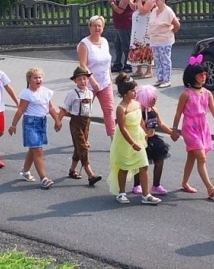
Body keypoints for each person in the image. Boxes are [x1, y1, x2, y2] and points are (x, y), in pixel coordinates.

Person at [172, 57, 214, 199]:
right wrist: (174, 129)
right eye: (200, 74)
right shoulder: (186, 94)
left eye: (205, 74)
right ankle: (210, 188)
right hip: (190, 128)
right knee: (201, 157)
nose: (204, 77)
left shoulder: (207, 93)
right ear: (192, 76)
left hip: (203, 127)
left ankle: (185, 183)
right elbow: (178, 113)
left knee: (192, 156)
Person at [9, 67, 61, 188]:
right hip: (30, 123)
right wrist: (13, 125)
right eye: (35, 78)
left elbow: (50, 107)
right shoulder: (27, 94)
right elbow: (21, 110)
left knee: (33, 149)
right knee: (37, 150)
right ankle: (44, 178)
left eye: (40, 77)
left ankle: (25, 172)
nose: (38, 80)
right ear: (29, 80)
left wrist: (57, 120)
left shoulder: (46, 92)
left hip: (42, 122)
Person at [109, 73, 157, 205]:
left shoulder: (137, 104)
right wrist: (132, 143)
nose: (135, 93)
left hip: (138, 138)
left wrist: (146, 133)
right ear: (125, 93)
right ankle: (121, 193)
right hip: (126, 141)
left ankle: (146, 195)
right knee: (124, 166)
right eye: (132, 91)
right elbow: (122, 128)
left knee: (144, 165)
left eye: (135, 90)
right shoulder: (121, 108)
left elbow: (140, 121)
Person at [75, 15, 117, 138]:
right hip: (89, 85)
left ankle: (113, 138)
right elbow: (83, 65)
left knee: (109, 110)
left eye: (100, 26)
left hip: (105, 83)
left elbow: (107, 63)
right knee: (85, 112)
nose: (97, 28)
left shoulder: (105, 42)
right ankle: (82, 138)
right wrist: (92, 81)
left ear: (103, 28)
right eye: (94, 26)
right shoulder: (84, 44)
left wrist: (110, 79)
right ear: (90, 27)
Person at [131, 86, 178, 196]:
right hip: (142, 140)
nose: (155, 100)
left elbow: (161, 124)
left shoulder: (154, 110)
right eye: (152, 98)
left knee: (159, 160)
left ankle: (156, 185)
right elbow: (139, 127)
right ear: (145, 98)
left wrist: (172, 132)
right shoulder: (139, 111)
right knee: (141, 163)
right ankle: (137, 184)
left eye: (155, 98)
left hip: (153, 139)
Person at [58, 66, 100, 185]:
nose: (83, 81)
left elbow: (88, 109)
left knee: (78, 148)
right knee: (83, 147)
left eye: (85, 79)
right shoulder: (72, 94)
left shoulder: (90, 93)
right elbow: (65, 108)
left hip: (86, 122)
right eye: (79, 79)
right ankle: (90, 175)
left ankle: (72, 170)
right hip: (76, 122)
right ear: (75, 81)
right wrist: (58, 121)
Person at [145, 0, 181, 88]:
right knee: (158, 60)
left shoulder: (168, 11)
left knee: (165, 60)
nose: (155, 2)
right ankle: (160, 78)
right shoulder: (154, 11)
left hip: (165, 40)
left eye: (157, 0)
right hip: (154, 40)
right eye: (155, 0)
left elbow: (177, 24)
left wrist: (172, 31)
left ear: (163, 0)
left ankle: (166, 79)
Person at [130, 0, 156, 79]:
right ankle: (139, 69)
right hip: (138, 28)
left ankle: (149, 70)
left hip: (146, 28)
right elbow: (135, 7)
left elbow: (142, 11)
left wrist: (140, 0)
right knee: (137, 46)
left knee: (147, 47)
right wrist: (136, 0)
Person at [108, 0, 135, 73]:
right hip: (120, 24)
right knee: (117, 44)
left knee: (125, 45)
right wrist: (115, 1)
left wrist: (112, 3)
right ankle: (117, 63)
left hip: (125, 23)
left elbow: (120, 10)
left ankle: (128, 65)